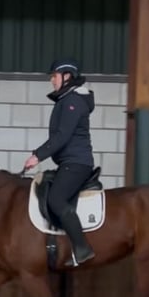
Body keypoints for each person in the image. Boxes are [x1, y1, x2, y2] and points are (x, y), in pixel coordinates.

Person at [24, 58, 97, 267]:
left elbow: (63, 136)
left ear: (67, 76)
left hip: (77, 163)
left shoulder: (72, 102)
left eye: (54, 76)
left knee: (56, 199)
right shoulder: (67, 100)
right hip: (68, 163)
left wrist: (37, 155)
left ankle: (82, 248)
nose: (52, 81)